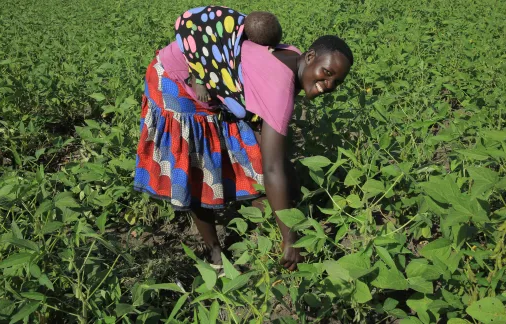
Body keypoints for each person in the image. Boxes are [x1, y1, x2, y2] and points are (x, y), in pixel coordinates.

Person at [134, 5, 353, 271]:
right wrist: (291, 240)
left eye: (336, 82)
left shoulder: (291, 56)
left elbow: (271, 148)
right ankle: (216, 254)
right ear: (310, 57)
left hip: (214, 87)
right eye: (327, 73)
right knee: (198, 170)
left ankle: (266, 223)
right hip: (175, 81)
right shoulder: (279, 91)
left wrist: (288, 175)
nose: (328, 85)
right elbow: (272, 168)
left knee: (255, 161)